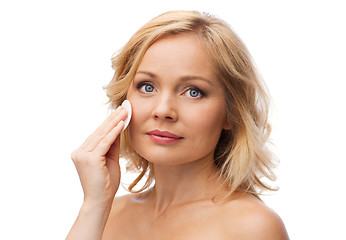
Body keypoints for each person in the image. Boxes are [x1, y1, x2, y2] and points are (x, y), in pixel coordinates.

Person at [66, 10, 289, 240]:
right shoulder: (106, 214)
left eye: (193, 92)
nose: (163, 110)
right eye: (147, 87)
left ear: (231, 113)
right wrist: (94, 204)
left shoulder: (252, 227)